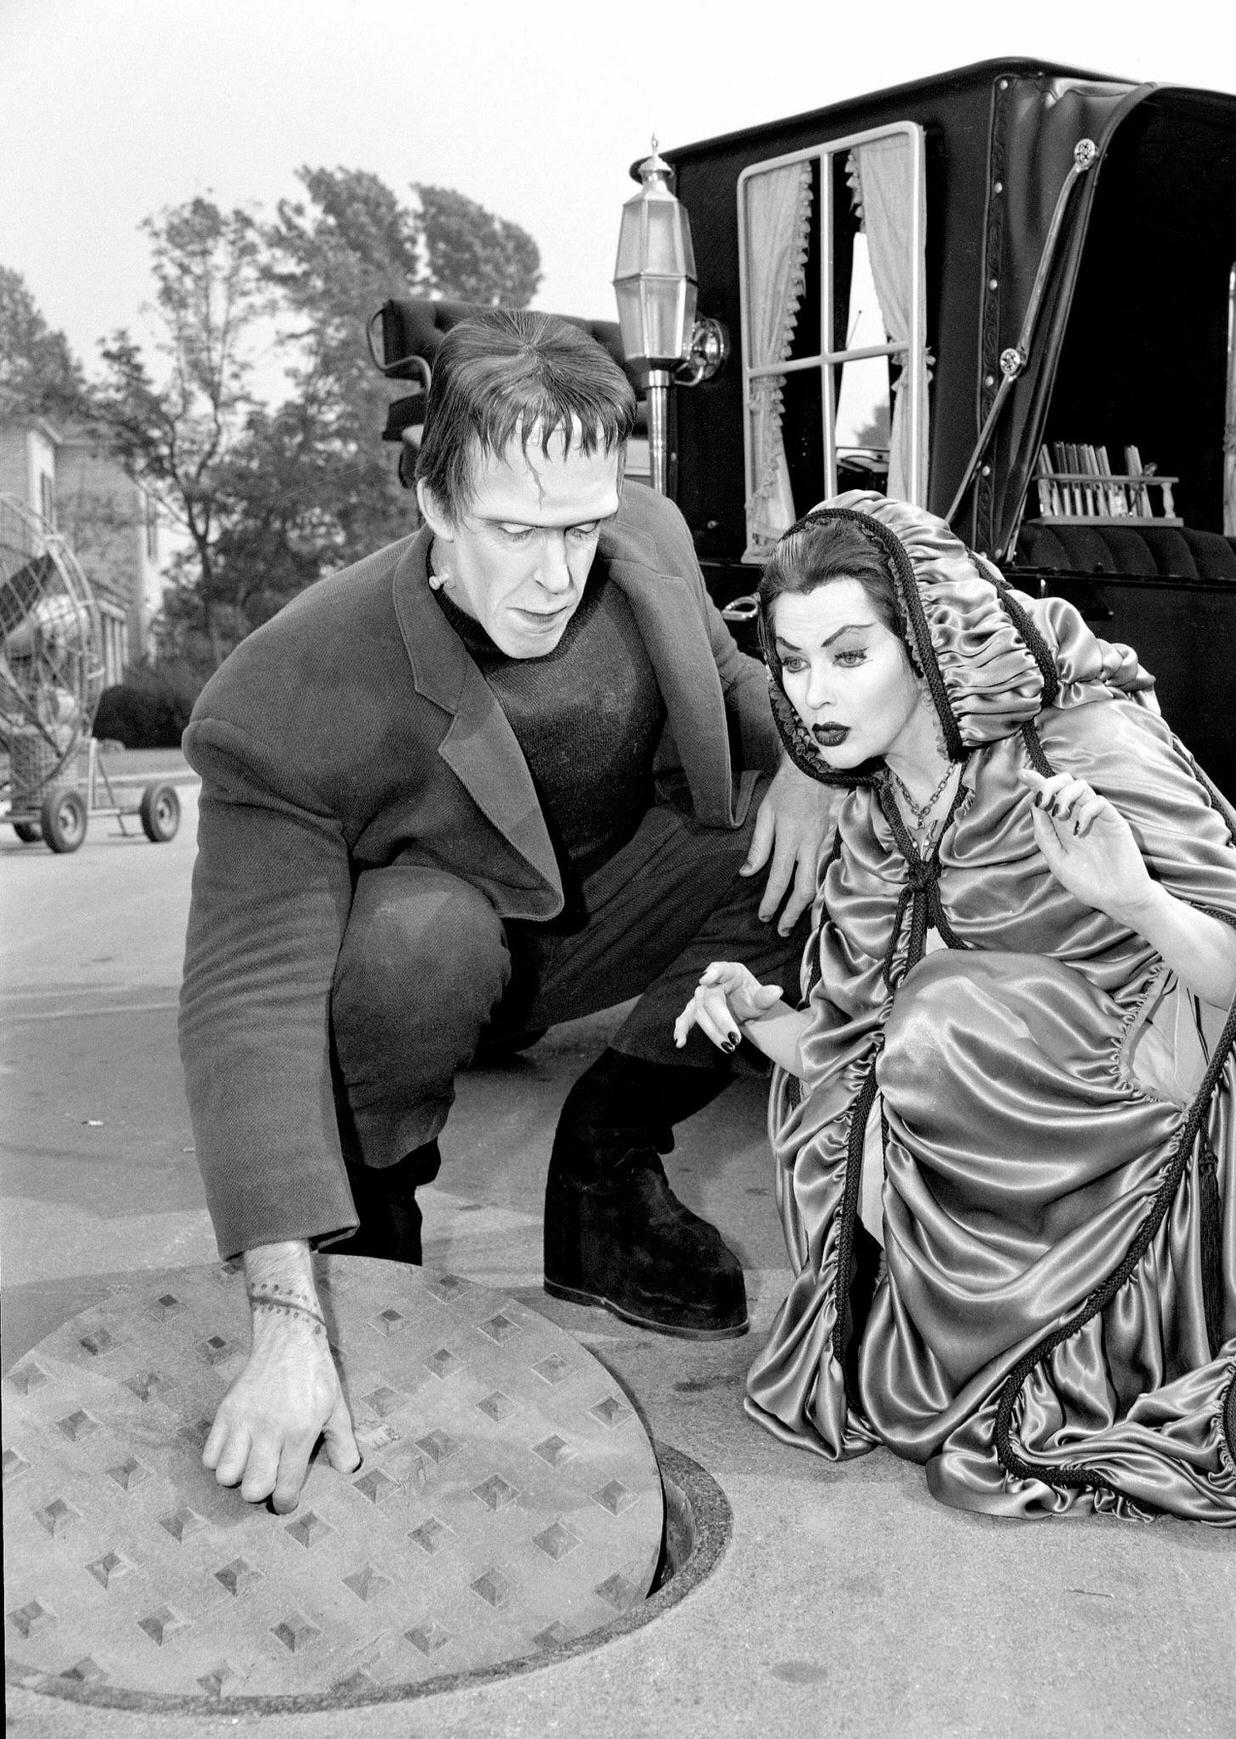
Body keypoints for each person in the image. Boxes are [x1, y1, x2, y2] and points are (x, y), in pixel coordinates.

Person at [180, 310, 834, 1513]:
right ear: (433, 503)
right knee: (424, 935)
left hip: (607, 913)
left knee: (807, 841)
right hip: (428, 967)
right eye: (515, 530)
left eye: (579, 526)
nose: (554, 572)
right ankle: (373, 1225)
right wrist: (283, 1311)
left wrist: (806, 760)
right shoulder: (285, 692)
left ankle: (605, 1179)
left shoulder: (643, 535)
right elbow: (246, 1003)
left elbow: (736, 682)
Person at [677, 491, 1236, 1530]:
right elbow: (850, 1048)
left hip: (1170, 1119)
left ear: (928, 642)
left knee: (936, 1017)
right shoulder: (877, 815)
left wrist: (1132, 898)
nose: (812, 694)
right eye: (791, 664)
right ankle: (966, 1342)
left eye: (846, 655)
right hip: (1008, 1118)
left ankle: (1074, 1342)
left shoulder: (1078, 747)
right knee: (874, 1077)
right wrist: (753, 1011)